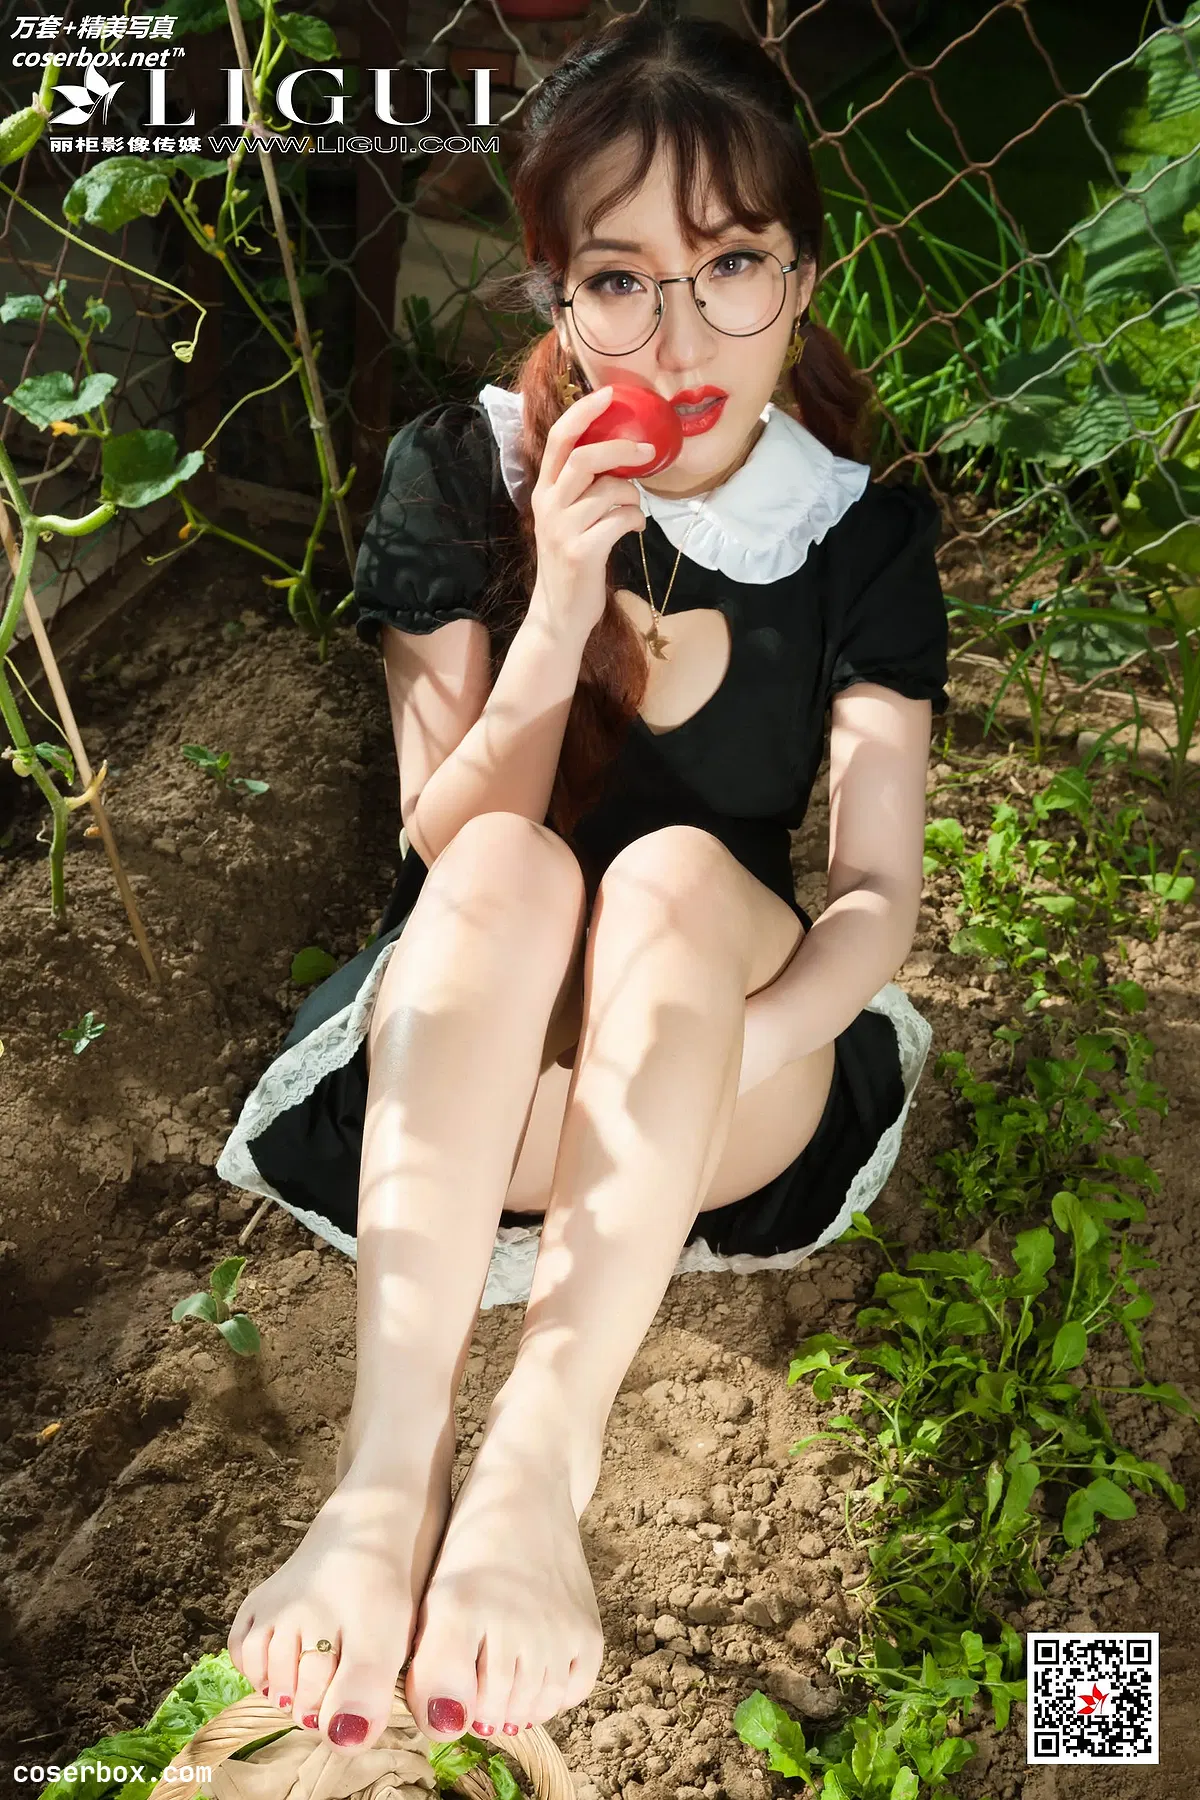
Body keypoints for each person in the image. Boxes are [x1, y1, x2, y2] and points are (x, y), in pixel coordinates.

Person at [215, 8, 949, 1763]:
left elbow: (872, 891)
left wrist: (702, 1057)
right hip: (478, 1084)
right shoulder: (463, 472)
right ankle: (386, 1484)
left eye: (732, 267)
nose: (678, 337)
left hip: (729, 1081)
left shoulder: (857, 529)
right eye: (621, 281)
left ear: (802, 280)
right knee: (503, 861)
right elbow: (440, 842)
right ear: (555, 292)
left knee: (683, 877)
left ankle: (541, 1461)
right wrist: (558, 597)